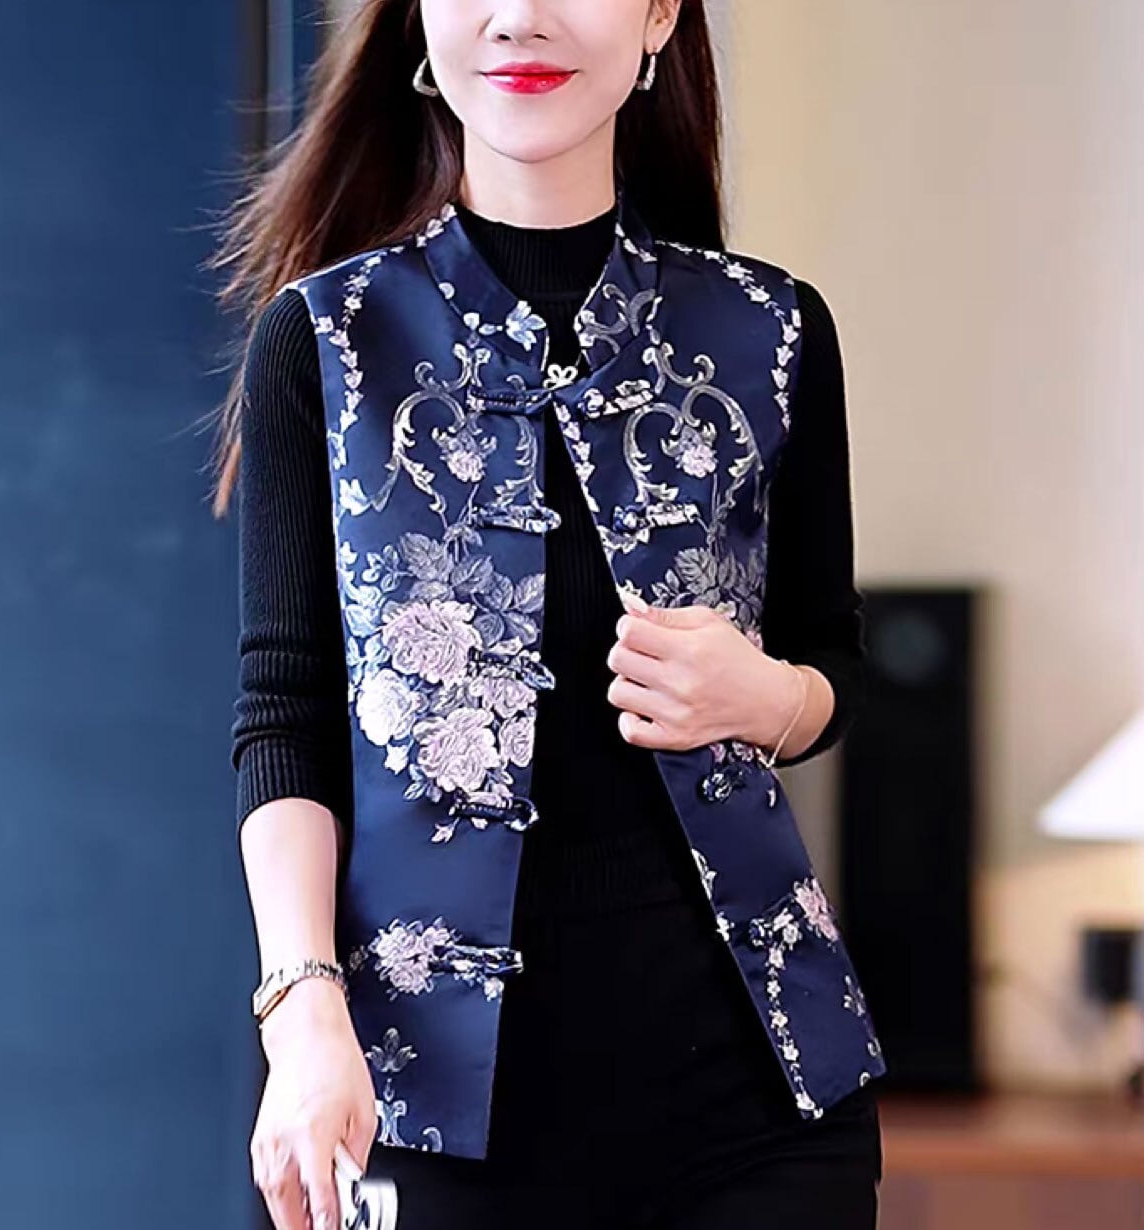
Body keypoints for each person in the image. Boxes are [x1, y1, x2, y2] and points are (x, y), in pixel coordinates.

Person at [208, 3, 884, 1228]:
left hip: (754, 1106)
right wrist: (302, 1011)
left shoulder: (772, 332)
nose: (521, 15)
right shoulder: (327, 340)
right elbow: (284, 719)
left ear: (658, 15)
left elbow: (833, 658)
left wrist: (768, 696)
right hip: (416, 1096)